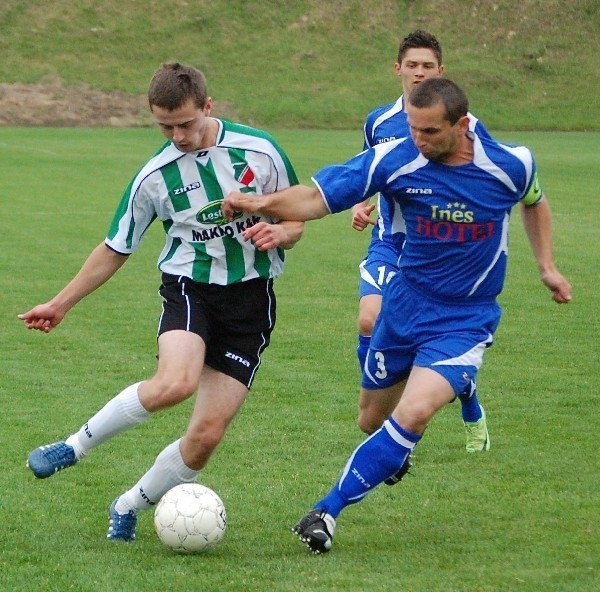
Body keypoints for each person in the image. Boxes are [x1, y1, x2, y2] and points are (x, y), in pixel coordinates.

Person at [222, 77, 572, 554]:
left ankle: (325, 511)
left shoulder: (510, 164)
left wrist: (547, 266)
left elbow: (534, 201)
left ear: (462, 125)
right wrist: (261, 203)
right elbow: (317, 199)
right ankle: (457, 387)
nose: (419, 140)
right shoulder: (397, 158)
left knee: (415, 411)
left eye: (430, 132)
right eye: (413, 128)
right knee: (371, 419)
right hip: (405, 306)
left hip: (465, 319)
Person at [19, 61, 303, 542]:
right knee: (175, 382)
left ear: (208, 108)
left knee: (206, 436)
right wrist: (61, 303)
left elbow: (297, 216)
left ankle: (128, 504)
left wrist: (281, 231)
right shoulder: (155, 175)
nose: (178, 136)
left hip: (252, 303)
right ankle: (73, 447)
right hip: (190, 289)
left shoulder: (259, 149)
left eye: (186, 124)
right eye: (165, 126)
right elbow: (115, 247)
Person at [352, 30, 491, 457]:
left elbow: (480, 181)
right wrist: (363, 203)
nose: (418, 72)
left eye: (427, 66)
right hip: (390, 244)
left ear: (440, 72)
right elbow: (367, 170)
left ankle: (464, 393)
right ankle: (386, 415)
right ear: (398, 69)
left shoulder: (466, 126)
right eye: (412, 65)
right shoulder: (379, 122)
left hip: (437, 253)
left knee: (430, 338)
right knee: (369, 319)